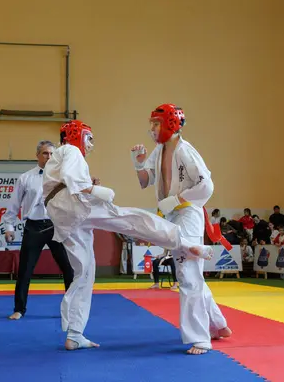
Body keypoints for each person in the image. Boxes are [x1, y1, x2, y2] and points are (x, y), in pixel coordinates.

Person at [43, 119, 217, 352]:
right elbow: (72, 179)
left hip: (61, 215)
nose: (90, 144)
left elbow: (67, 179)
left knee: (83, 271)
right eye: (89, 138)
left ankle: (74, 334)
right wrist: (95, 190)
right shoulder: (71, 150)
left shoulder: (61, 155)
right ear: (78, 134)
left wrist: (91, 187)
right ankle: (186, 243)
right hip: (72, 205)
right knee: (130, 219)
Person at [130, 103, 232, 355]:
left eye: (156, 124)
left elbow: (207, 187)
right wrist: (138, 163)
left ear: (171, 125)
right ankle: (218, 325)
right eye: (151, 123)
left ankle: (201, 338)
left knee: (187, 275)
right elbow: (146, 182)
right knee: (190, 272)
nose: (152, 129)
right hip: (171, 214)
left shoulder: (186, 151)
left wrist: (177, 199)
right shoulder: (160, 149)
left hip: (188, 214)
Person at [2, 140, 74, 320]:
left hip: (56, 225)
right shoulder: (25, 178)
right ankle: (19, 309)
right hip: (33, 226)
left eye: (51, 154)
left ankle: (72, 309)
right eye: (45, 153)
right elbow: (13, 204)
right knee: (25, 270)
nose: (49, 157)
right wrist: (9, 227)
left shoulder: (63, 177)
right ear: (37, 156)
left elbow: (77, 195)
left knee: (68, 268)